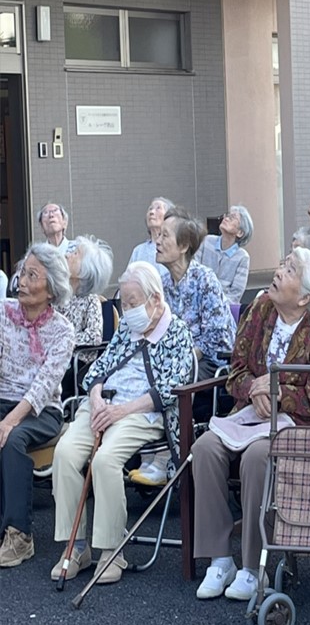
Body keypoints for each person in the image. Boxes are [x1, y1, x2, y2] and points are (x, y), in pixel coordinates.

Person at [191, 247, 310, 600]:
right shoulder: (260, 309)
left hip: (295, 426)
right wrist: (253, 389)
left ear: (304, 296)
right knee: (204, 448)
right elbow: (236, 371)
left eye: (290, 270)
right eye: (283, 265)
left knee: (257, 456)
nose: (278, 271)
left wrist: (275, 393)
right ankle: (219, 559)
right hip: (249, 415)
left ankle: (252, 566)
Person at [51, 261, 194, 584]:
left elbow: (171, 387)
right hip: (104, 405)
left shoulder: (177, 332)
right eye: (124, 303)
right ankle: (76, 547)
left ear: (155, 299)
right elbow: (99, 368)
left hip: (142, 412)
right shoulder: (126, 328)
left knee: (105, 460)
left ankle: (112, 550)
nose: (127, 311)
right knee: (65, 453)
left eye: (132, 303)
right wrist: (96, 398)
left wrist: (121, 411)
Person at [130, 207, 236, 485]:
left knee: (170, 380)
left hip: (210, 363)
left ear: (184, 246)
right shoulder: (163, 284)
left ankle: (166, 456)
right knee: (140, 375)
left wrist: (182, 357)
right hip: (175, 361)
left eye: (165, 236)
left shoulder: (205, 279)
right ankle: (150, 451)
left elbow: (218, 338)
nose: (157, 241)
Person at [0, 243, 74, 568]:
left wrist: (9, 421)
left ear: (52, 290)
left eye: (32, 276)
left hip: (42, 410)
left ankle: (20, 536)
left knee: (13, 439)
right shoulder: (3, 313)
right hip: (3, 399)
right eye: (22, 273)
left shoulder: (62, 331)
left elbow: (43, 387)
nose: (22, 281)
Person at [57, 235, 114, 399]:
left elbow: (94, 336)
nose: (67, 255)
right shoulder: (59, 296)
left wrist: (64, 340)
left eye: (75, 253)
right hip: (56, 357)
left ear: (85, 270)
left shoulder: (91, 300)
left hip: (78, 363)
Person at [195, 205, 254, 304]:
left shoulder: (242, 257)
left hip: (223, 307)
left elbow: (235, 295)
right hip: (198, 300)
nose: (226, 218)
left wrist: (216, 305)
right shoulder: (207, 241)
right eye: (227, 215)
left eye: (232, 218)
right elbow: (193, 272)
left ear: (240, 233)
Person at [128, 196, 174, 275]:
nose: (152, 212)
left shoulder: (175, 248)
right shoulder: (138, 251)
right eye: (150, 209)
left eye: (158, 208)